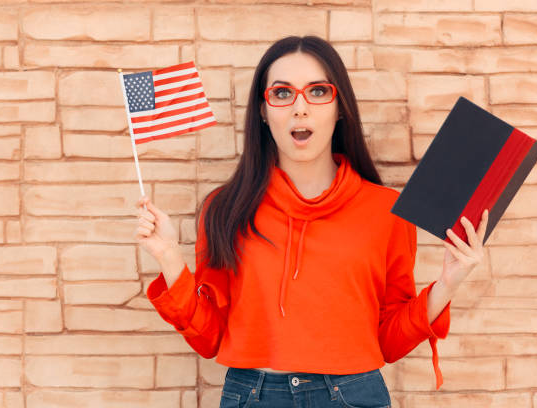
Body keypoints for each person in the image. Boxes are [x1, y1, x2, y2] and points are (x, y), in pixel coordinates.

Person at [136, 35, 488, 408]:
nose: (300, 108)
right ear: (262, 110)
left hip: (353, 395)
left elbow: (388, 342)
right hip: (252, 396)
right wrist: (170, 258)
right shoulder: (225, 209)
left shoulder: (387, 211)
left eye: (318, 91)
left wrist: (446, 285)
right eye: (283, 93)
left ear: (339, 108)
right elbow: (209, 339)